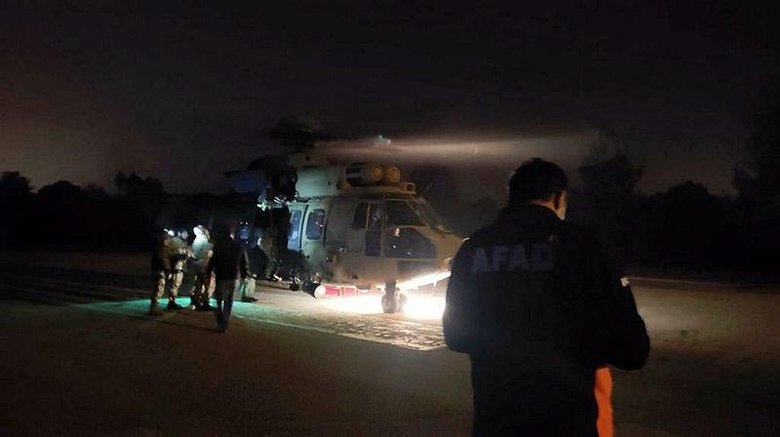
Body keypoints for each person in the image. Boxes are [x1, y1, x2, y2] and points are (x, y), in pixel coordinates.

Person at [443, 158, 649, 436]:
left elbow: (456, 336)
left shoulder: (475, 247)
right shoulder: (585, 245)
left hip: (497, 421)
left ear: (512, 196)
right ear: (559, 197)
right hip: (567, 421)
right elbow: (632, 351)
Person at [205, 224, 248, 332]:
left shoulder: (218, 246)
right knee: (229, 299)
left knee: (218, 298)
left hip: (221, 275)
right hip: (232, 275)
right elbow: (243, 262)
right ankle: (225, 320)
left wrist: (208, 273)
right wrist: (243, 275)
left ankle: (220, 318)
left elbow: (212, 261)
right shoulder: (237, 246)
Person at [149, 229, 186, 315]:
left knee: (160, 287)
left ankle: (155, 306)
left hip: (160, 270)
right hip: (160, 270)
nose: (169, 240)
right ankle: (154, 307)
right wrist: (167, 270)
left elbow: (166, 259)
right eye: (168, 238)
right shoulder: (162, 248)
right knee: (159, 288)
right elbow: (163, 260)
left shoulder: (162, 247)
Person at [187, 225, 214, 311]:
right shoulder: (204, 240)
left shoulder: (196, 240)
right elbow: (208, 253)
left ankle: (195, 300)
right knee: (207, 284)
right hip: (204, 264)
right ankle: (204, 301)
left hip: (196, 264)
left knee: (197, 283)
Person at [239, 236, 267, 302]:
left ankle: (248, 296)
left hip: (250, 268)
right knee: (247, 283)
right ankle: (245, 296)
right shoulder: (252, 250)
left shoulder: (251, 250)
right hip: (250, 268)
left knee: (250, 283)